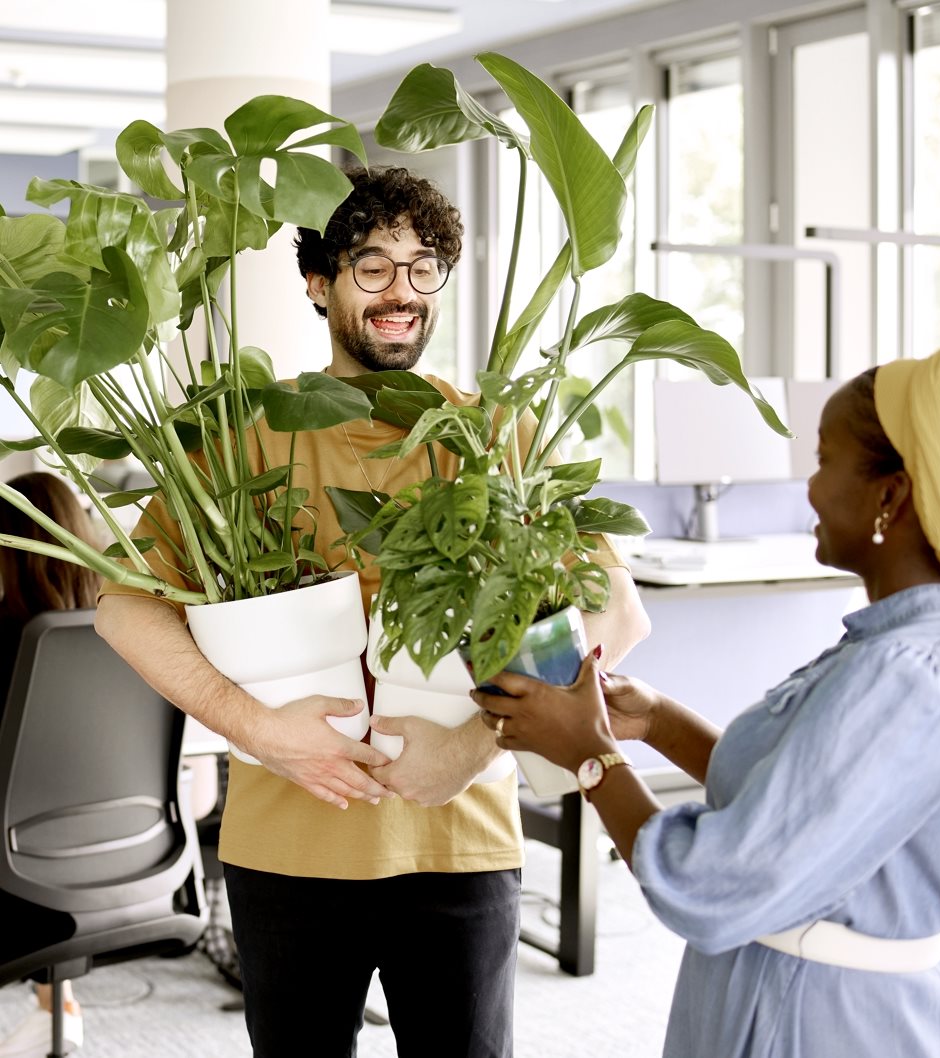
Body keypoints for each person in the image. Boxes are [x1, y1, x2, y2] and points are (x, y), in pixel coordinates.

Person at [95, 166, 650, 1058]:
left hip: (461, 838)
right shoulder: (244, 434)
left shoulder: (490, 431)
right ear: (320, 283)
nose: (403, 292)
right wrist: (264, 732)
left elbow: (612, 614)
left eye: (423, 267)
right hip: (287, 843)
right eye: (372, 266)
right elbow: (123, 608)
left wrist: (471, 750)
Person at [472, 343, 940, 1058]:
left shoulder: (908, 677)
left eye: (824, 460)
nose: (809, 488)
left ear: (892, 496)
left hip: (819, 1023)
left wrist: (590, 757)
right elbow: (803, 806)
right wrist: (656, 720)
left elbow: (707, 884)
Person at [0, 472, 99, 1058]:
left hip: (20, 881)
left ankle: (55, 1011)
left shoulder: (11, 640)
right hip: (114, 866)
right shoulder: (127, 636)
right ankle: (55, 1009)